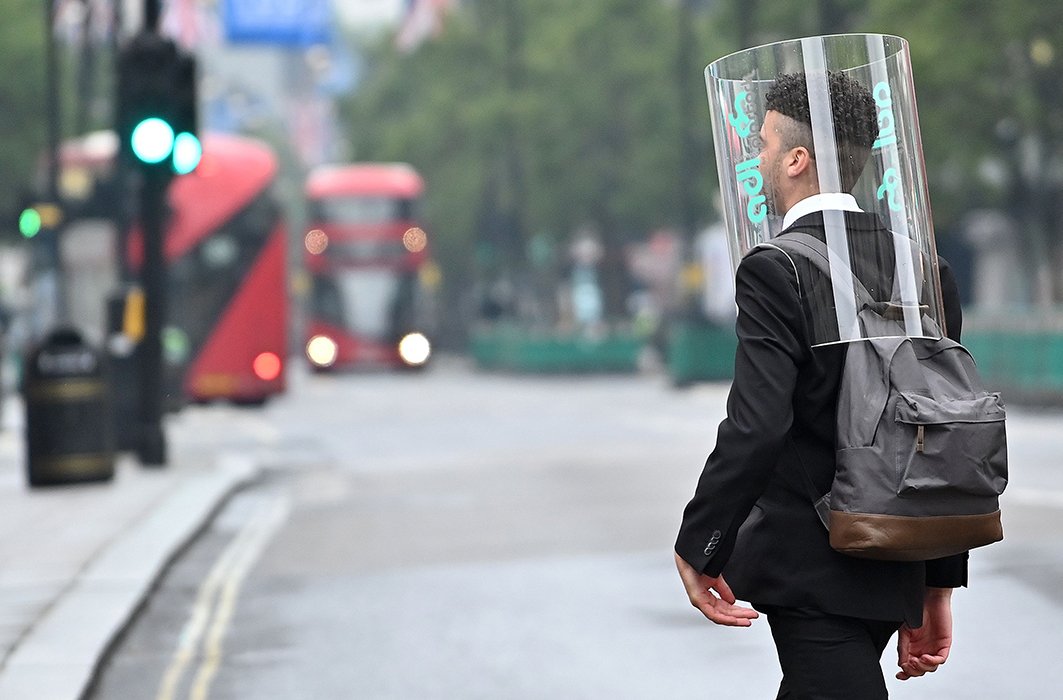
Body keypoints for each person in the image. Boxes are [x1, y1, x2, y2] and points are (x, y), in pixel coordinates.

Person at [674, 71, 967, 699]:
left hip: (813, 559)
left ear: (798, 159)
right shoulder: (924, 267)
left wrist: (701, 541)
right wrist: (936, 583)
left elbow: (758, 425)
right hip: (899, 556)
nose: (756, 159)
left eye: (763, 144)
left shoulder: (772, 269)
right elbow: (944, 433)